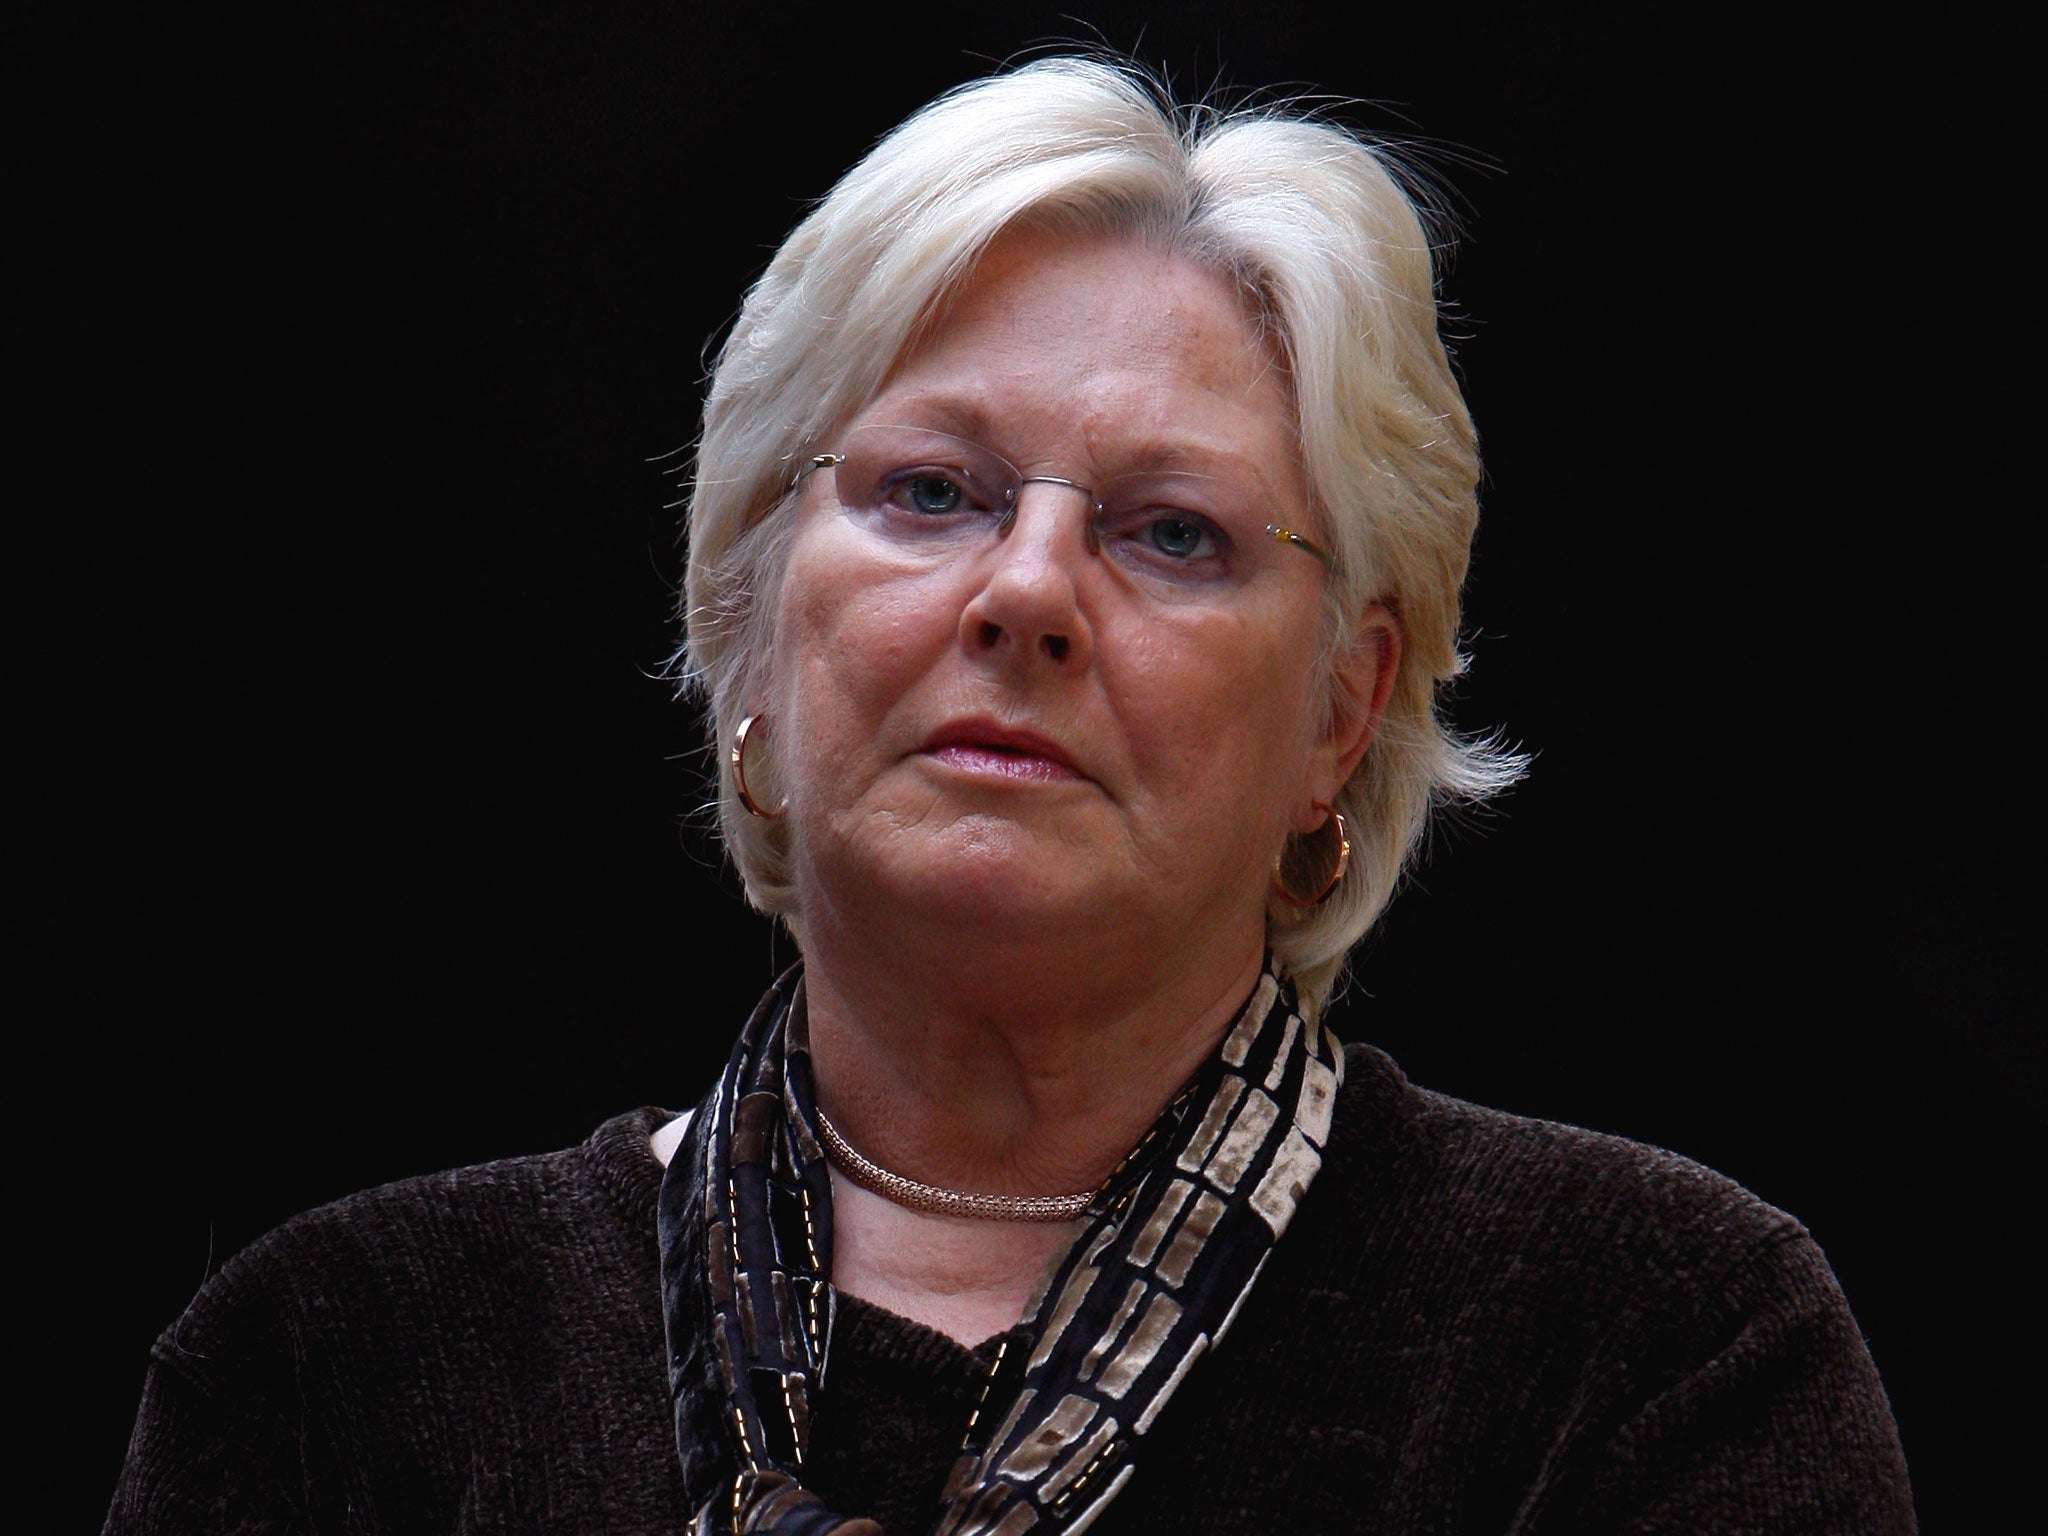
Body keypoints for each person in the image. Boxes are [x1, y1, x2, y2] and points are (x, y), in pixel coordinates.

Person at [107, 57, 1915, 1534]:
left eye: (1172, 533)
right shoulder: (331, 1368)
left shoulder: (1652, 1349)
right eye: (931, 492)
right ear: (745, 619)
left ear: (1342, 719)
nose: (1028, 591)